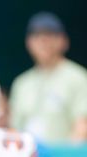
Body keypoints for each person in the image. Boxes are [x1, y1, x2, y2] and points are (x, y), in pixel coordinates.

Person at [9, 12, 87, 143]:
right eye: (37, 35)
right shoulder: (21, 83)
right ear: (28, 43)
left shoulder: (78, 77)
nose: (43, 41)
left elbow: (82, 126)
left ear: (64, 41)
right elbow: (14, 129)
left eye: (51, 34)